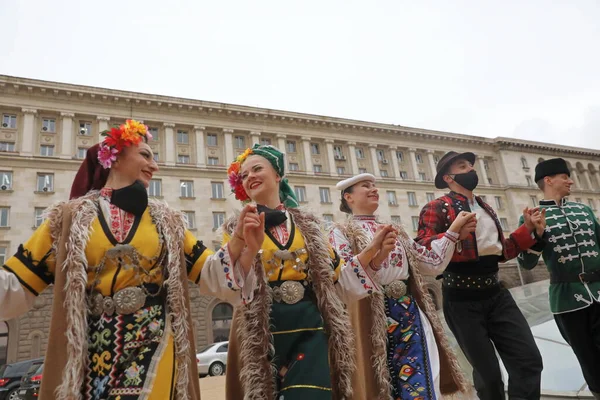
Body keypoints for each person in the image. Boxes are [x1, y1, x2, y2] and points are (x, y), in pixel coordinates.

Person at [0, 120, 243, 400]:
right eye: (146, 155)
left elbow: (210, 273)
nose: (154, 166)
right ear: (114, 157)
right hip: (93, 350)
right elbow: (17, 283)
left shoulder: (167, 221)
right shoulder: (70, 219)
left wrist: (237, 242)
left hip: (154, 340)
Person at [208, 144, 377, 400]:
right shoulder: (236, 227)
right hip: (263, 330)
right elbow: (230, 285)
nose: (250, 176)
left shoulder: (309, 225)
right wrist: (248, 248)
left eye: (257, 169)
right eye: (244, 175)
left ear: (278, 175)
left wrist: (373, 252)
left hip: (309, 326)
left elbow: (337, 277)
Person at [329, 173, 474, 400]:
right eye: (365, 186)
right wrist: (374, 256)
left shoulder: (394, 229)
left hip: (408, 311)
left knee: (421, 378)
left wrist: (453, 232)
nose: (373, 189)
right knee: (377, 382)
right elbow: (342, 276)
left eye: (375, 185)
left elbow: (430, 262)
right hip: (367, 315)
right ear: (348, 197)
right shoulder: (340, 232)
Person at [415, 151, 544, 400]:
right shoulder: (436, 207)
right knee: (488, 376)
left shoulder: (485, 206)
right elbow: (422, 248)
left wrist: (527, 229)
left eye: (471, 165)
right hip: (462, 299)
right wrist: (452, 236)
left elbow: (501, 251)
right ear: (448, 177)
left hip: (497, 294)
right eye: (463, 166)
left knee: (528, 360)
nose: (471, 169)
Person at [518, 158, 600, 399]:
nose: (570, 181)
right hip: (567, 300)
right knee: (588, 359)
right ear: (548, 180)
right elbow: (526, 263)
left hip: (598, 289)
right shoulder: (531, 217)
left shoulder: (584, 210)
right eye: (565, 177)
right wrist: (537, 235)